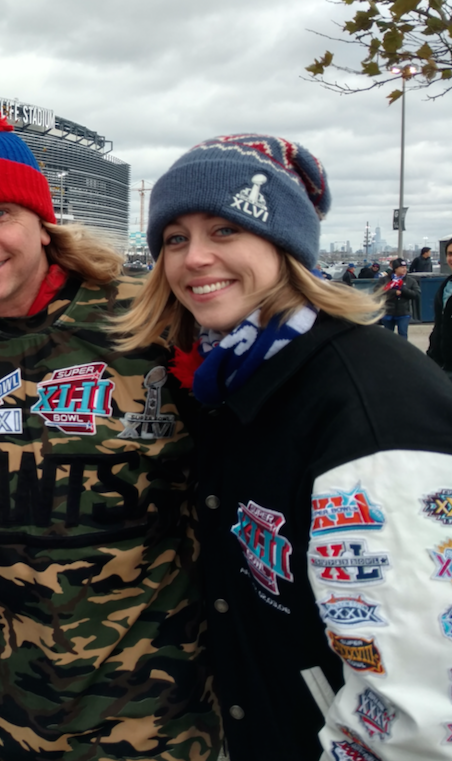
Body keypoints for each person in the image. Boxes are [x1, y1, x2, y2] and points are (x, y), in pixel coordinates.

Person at [114, 133, 452, 760]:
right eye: (176, 238)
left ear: (285, 246)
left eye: (224, 230)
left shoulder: (369, 407)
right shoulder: (238, 374)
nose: (193, 259)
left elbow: (418, 717)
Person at [0, 105, 219, 760]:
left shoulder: (151, 319)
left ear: (43, 225)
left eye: (0, 215)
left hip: (155, 713)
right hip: (1, 714)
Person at [426, 241, 452, 378]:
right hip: (442, 364)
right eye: (449, 254)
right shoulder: (446, 286)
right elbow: (440, 324)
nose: (451, 258)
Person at [376, 257, 419, 338]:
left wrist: (403, 289)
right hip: (388, 311)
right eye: (402, 267)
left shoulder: (410, 281)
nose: (404, 269)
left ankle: (403, 350)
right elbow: (377, 291)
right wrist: (393, 292)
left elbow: (416, 294)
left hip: (403, 312)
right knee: (388, 336)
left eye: (405, 267)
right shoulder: (385, 280)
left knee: (403, 334)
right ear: (395, 268)